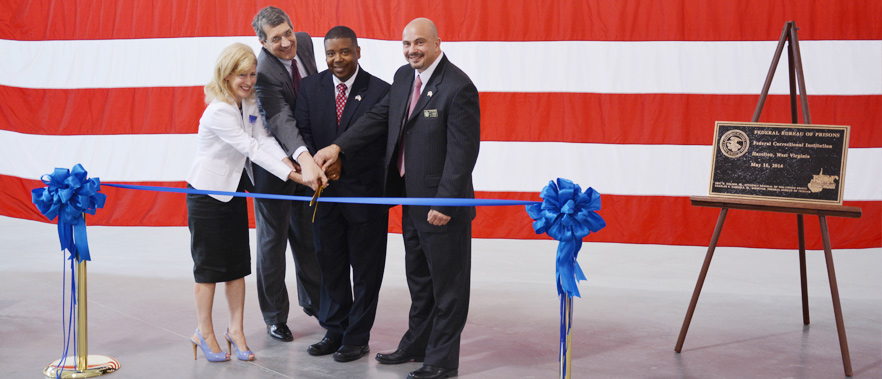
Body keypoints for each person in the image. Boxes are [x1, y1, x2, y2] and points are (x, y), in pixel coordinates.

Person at [314, 17, 480, 379]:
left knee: (448, 286)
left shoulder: (458, 86)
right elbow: (378, 117)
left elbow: (463, 153)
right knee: (419, 280)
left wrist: (446, 201)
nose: (412, 50)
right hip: (410, 201)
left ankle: (441, 360)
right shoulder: (404, 78)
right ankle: (417, 344)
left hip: (441, 207)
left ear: (438, 43)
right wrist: (337, 146)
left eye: (420, 43)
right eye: (406, 44)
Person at [186, 42, 306, 362]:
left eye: (252, 74)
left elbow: (264, 138)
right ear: (226, 75)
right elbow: (250, 147)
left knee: (237, 267)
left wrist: (291, 162)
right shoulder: (218, 111)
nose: (249, 81)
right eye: (242, 74)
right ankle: (204, 331)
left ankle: (235, 330)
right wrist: (292, 176)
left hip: (234, 193)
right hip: (207, 197)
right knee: (208, 270)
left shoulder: (249, 102)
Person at [295, 26, 391, 362]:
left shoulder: (381, 91)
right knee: (330, 265)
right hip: (324, 195)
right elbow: (302, 133)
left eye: (345, 52)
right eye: (331, 53)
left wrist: (341, 163)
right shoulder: (310, 87)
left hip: (365, 197)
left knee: (366, 270)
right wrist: (319, 168)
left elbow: (381, 143)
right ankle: (334, 330)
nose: (338, 59)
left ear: (358, 51)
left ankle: (357, 336)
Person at [250, 6, 327, 342]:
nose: (285, 43)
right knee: (273, 242)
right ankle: (275, 316)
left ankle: (317, 305)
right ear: (263, 43)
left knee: (309, 237)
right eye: (276, 39)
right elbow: (280, 118)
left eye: (288, 33)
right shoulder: (263, 71)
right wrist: (303, 159)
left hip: (307, 161)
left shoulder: (307, 44)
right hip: (275, 168)